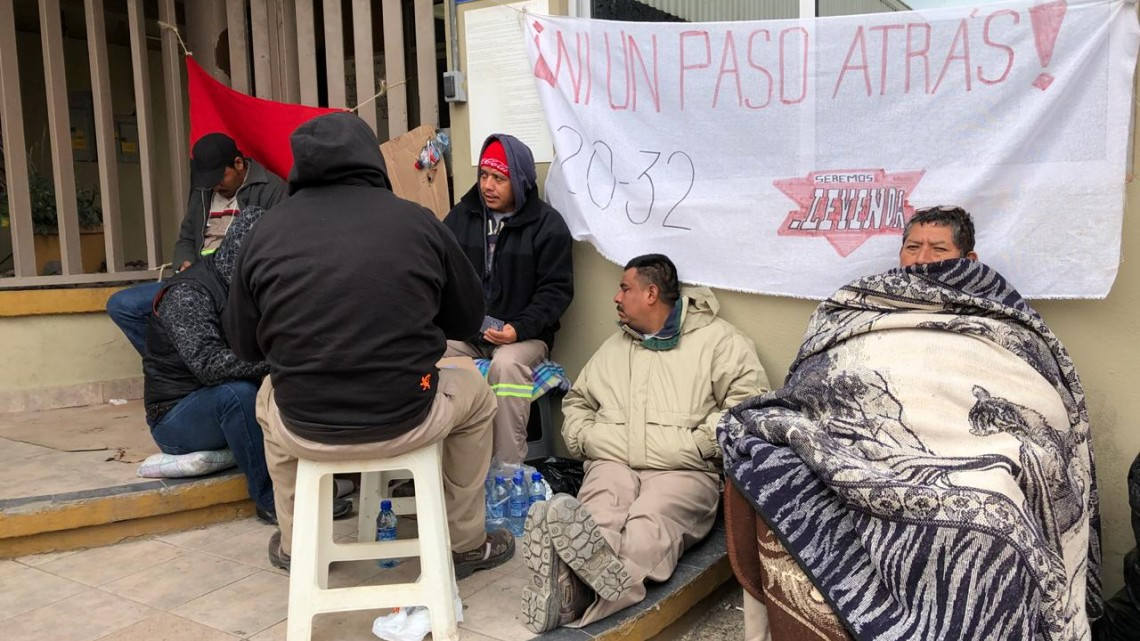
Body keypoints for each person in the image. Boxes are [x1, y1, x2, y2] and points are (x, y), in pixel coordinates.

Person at [721, 206, 1100, 641]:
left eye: (937, 248)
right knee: (775, 465)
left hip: (967, 443)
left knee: (997, 510)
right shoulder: (856, 304)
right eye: (912, 247)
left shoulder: (1003, 317)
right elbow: (817, 371)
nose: (921, 259)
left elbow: (1034, 389)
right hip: (856, 435)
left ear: (968, 261)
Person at [223, 112, 514, 576]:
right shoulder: (416, 222)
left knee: (265, 398)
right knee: (477, 397)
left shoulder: (265, 231)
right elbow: (467, 318)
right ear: (370, 160)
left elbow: (243, 345)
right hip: (405, 412)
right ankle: (464, 545)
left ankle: (298, 545)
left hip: (306, 423)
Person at [521, 253, 768, 632]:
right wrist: (584, 439)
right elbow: (578, 401)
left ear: (651, 293)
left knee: (649, 524)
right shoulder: (614, 347)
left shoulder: (720, 342)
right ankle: (574, 583)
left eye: (624, 288)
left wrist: (701, 446)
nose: (616, 298)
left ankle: (575, 592)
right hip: (613, 462)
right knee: (599, 511)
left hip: (683, 470)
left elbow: (748, 404)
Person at [442, 134, 574, 464]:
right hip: (470, 335)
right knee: (428, 349)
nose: (488, 185)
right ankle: (447, 462)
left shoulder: (547, 226)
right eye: (484, 175)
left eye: (499, 178)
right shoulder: (461, 218)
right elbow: (441, 276)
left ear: (520, 180)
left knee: (506, 363)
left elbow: (555, 292)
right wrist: (465, 323)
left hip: (524, 338)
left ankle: (507, 470)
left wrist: (518, 328)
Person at [142, 206, 275, 521]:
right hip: (175, 416)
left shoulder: (248, 288)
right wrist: (277, 362)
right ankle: (271, 499)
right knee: (238, 394)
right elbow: (210, 365)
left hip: (214, 401)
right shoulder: (189, 292)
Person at [107, 133, 287, 356]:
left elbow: (277, 245)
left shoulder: (272, 189)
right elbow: (186, 238)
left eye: (220, 177)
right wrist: (184, 264)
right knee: (122, 306)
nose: (215, 186)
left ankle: (199, 363)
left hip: (236, 285)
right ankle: (177, 363)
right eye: (208, 181)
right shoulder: (203, 191)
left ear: (238, 164)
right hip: (196, 279)